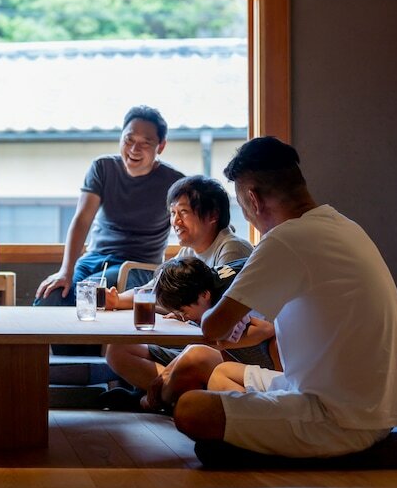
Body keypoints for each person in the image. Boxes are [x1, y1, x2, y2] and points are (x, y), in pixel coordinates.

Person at [173, 137, 397, 458]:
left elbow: (212, 327)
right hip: (367, 407)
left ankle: (254, 435)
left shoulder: (285, 239)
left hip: (339, 418)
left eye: (242, 206)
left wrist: (213, 314)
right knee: (220, 372)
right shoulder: (342, 225)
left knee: (190, 408)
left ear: (253, 199)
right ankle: (253, 431)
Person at [103, 176, 253, 396]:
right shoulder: (188, 251)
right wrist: (116, 300)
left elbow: (223, 316)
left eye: (183, 212)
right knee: (118, 350)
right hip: (191, 341)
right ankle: (165, 397)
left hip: (223, 350)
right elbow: (153, 290)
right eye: (173, 213)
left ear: (213, 215)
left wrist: (184, 313)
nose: (175, 221)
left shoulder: (231, 249)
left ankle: (160, 397)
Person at [35, 105, 186, 306]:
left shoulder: (174, 182)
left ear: (161, 146)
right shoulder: (103, 168)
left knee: (88, 294)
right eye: (129, 140)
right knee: (51, 295)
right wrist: (65, 271)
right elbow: (82, 220)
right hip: (93, 259)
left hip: (138, 266)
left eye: (145, 143)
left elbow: (188, 226)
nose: (134, 149)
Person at [137, 258, 277, 413]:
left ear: (205, 295)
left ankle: (157, 401)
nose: (183, 316)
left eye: (184, 311)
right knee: (189, 353)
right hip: (243, 358)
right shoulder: (209, 283)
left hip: (268, 364)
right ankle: (157, 396)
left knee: (195, 354)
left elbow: (268, 328)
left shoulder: (229, 299)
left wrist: (218, 342)